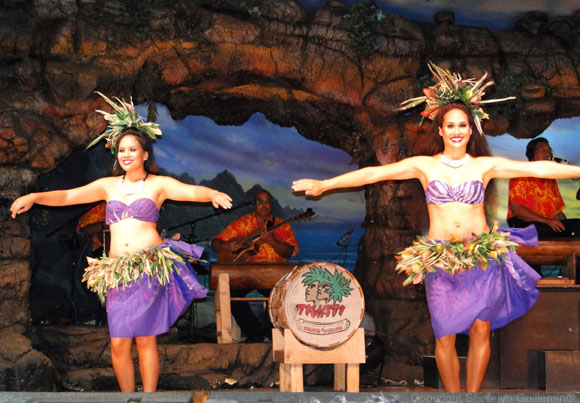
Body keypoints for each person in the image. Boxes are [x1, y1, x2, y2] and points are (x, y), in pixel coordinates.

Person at [292, 62, 580, 392]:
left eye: (463, 125)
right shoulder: (423, 166)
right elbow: (374, 174)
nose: (457, 130)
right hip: (440, 260)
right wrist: (324, 184)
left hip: (480, 257)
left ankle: (471, 398)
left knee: (481, 330)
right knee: (443, 334)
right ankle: (453, 398)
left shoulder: (485, 166)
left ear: (471, 130)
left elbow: (542, 170)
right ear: (440, 130)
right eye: (450, 125)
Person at [10, 92, 232, 393]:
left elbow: (191, 191)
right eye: (121, 150)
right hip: (117, 273)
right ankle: (129, 399)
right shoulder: (107, 186)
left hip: (148, 269)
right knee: (118, 342)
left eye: (132, 149)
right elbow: (68, 197)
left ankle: (150, 399)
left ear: (144, 154)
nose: (125, 155)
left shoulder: (158, 185)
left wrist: (213, 195)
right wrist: (34, 197)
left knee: (144, 339)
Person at [211, 189, 299, 341]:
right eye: (260, 202)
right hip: (243, 275)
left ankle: (267, 330)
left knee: (280, 295)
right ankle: (255, 334)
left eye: (267, 202)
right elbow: (215, 242)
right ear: (254, 204)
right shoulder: (242, 224)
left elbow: (290, 251)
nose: (264, 206)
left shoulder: (281, 225)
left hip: (272, 276)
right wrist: (227, 247)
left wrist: (271, 240)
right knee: (231, 294)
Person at [507, 137, 580, 238]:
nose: (548, 153)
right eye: (543, 149)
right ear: (532, 153)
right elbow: (517, 210)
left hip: (547, 225)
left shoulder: (551, 179)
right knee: (544, 228)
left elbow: (557, 213)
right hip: (523, 224)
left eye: (549, 151)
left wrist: (567, 227)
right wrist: (546, 220)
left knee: (577, 225)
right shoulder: (520, 174)